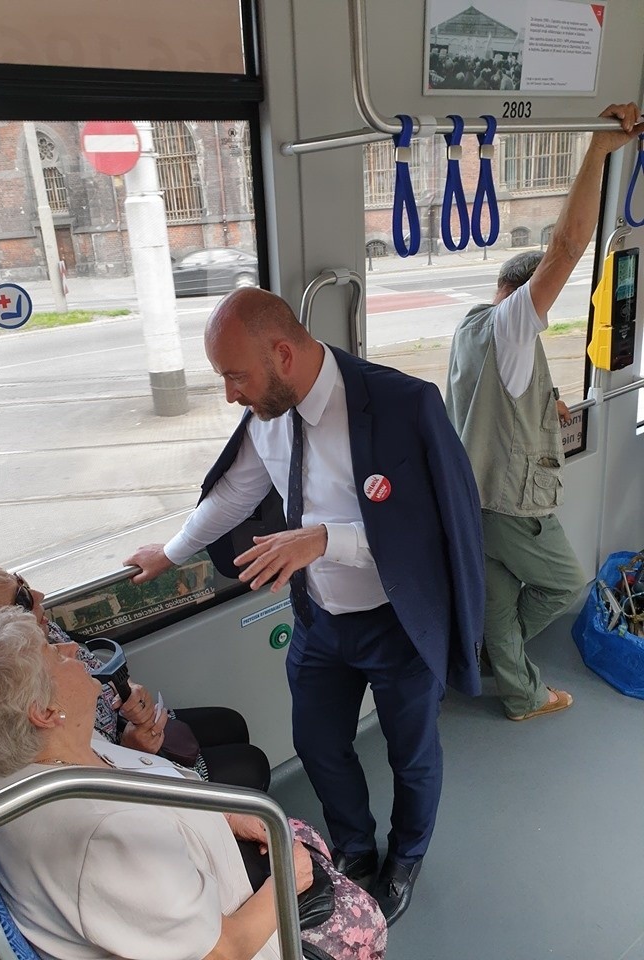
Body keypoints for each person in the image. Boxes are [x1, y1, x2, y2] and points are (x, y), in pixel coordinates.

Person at [125, 288, 485, 925]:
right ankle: (354, 847)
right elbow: (238, 490)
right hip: (319, 619)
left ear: (283, 354)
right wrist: (173, 551)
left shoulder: (403, 406)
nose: (231, 394)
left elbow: (436, 530)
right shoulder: (270, 409)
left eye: (235, 376)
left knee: (412, 752)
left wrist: (324, 538)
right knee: (318, 744)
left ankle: (406, 853)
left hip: (395, 623)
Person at [0, 607, 387, 960]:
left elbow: (155, 786)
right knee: (368, 921)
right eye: (54, 654)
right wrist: (288, 881)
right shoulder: (105, 839)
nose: (70, 651)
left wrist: (226, 813)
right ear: (44, 712)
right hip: (240, 932)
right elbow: (220, 952)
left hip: (215, 870)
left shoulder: (28, 756)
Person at [445, 101, 644, 722]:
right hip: (510, 505)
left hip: (471, 498)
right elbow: (566, 245)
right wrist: (596, 152)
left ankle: (519, 691)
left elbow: (497, 398)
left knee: (500, 604)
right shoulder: (509, 326)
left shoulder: (469, 329)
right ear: (525, 295)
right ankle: (507, 667)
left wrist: (547, 404)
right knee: (563, 582)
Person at [0, 563, 270, 799]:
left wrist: (128, 692)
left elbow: (92, 672)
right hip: (119, 772)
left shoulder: (43, 630)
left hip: (121, 728)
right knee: (251, 765)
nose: (40, 596)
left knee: (231, 723)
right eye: (23, 599)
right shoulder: (0, 709)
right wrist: (130, 749)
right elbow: (82, 783)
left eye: (24, 584)